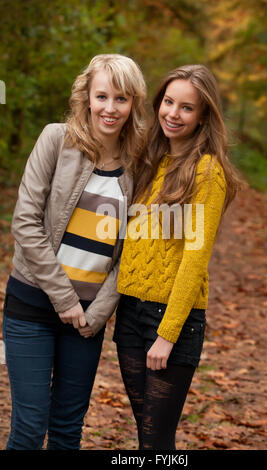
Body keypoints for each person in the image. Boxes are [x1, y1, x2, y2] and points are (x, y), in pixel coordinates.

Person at [1, 53, 147, 450]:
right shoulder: (56, 139)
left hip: (86, 322)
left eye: (121, 98)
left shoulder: (139, 164)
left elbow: (133, 250)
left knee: (68, 431)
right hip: (32, 306)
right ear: (86, 96)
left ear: (133, 103)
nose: (110, 108)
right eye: (102, 96)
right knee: (29, 429)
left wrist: (98, 312)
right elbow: (25, 224)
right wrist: (65, 299)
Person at [113, 64, 244, 450]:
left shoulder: (207, 172)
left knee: (156, 442)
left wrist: (167, 335)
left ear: (204, 116)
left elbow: (194, 259)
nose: (173, 113)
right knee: (147, 438)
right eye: (168, 102)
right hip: (131, 313)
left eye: (187, 108)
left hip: (171, 321)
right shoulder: (150, 161)